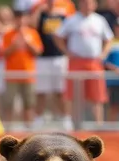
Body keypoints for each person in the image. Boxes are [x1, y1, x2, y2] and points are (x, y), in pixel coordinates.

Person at [54, 0, 113, 128]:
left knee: (97, 95)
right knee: (75, 94)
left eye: (90, 3)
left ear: (95, 5)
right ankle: (75, 125)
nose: (88, 6)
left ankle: (99, 125)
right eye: (85, 3)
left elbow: (108, 39)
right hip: (76, 62)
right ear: (80, 4)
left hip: (94, 62)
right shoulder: (72, 19)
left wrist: (103, 54)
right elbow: (58, 35)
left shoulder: (99, 20)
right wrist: (66, 51)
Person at [31, 0, 75, 129]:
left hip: (59, 57)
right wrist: (39, 11)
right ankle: (38, 118)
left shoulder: (63, 13)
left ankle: (65, 117)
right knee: (41, 90)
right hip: (43, 57)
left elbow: (69, 31)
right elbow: (32, 25)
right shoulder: (40, 11)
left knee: (61, 90)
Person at [2, 9, 44, 127]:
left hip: (28, 75)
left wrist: (28, 43)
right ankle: (8, 129)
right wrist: (14, 46)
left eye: (22, 17)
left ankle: (28, 129)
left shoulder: (32, 33)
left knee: (29, 104)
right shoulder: (8, 34)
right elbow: (4, 54)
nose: (20, 21)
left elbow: (38, 51)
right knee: (9, 103)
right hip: (12, 75)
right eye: (17, 18)